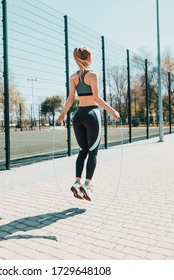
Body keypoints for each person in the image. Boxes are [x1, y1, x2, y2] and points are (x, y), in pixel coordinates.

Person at [57, 47, 120, 201]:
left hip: (78, 116)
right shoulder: (93, 75)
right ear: (88, 58)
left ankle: (77, 183)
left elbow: (71, 99)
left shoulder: (73, 77)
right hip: (92, 114)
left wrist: (62, 114)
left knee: (82, 151)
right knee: (93, 151)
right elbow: (97, 98)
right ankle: (87, 185)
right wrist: (112, 111)